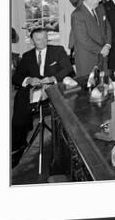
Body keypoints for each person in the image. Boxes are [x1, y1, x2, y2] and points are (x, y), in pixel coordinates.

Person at [11, 27, 75, 166]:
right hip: (34, 88)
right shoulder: (27, 56)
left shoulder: (58, 51)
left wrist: (52, 78)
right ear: (32, 40)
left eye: (45, 38)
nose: (43, 41)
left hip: (52, 85)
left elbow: (67, 68)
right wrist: (28, 80)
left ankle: (64, 144)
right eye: (38, 39)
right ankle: (17, 146)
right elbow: (16, 77)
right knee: (20, 100)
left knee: (62, 101)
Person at [70, 0, 112, 76]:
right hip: (87, 58)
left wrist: (108, 45)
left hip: (103, 55)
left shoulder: (100, 8)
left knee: (103, 84)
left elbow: (107, 27)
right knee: (88, 86)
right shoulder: (77, 14)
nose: (100, 0)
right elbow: (83, 39)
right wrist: (101, 49)